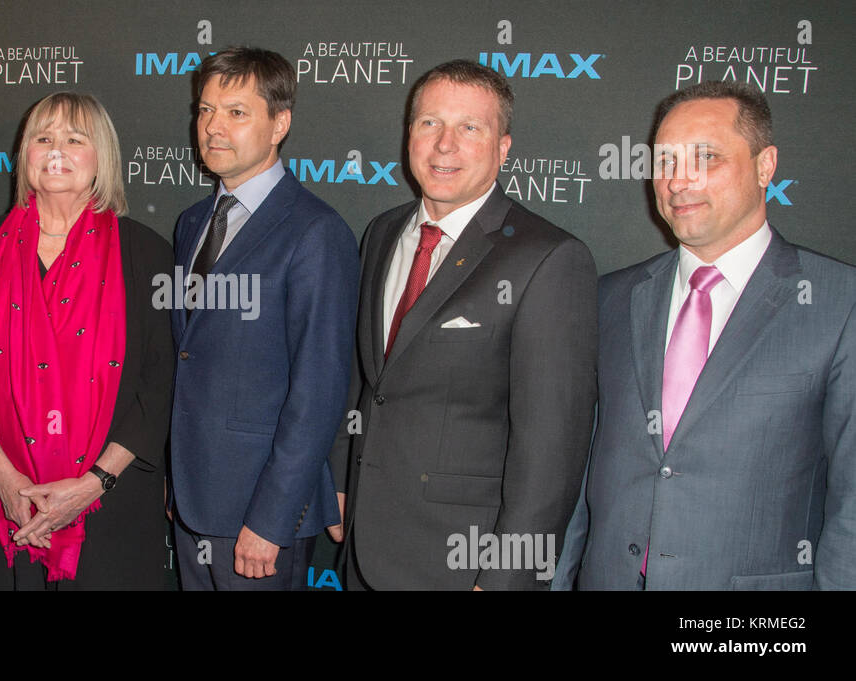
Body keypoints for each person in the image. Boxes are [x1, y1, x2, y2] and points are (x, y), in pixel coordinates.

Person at [554, 81, 856, 590]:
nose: (678, 181)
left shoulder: (839, 302)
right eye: (665, 161)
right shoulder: (610, 298)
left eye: (707, 157)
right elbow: (579, 476)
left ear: (765, 166)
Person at [330, 59, 598, 590]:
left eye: (469, 127)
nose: (443, 144)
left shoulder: (549, 258)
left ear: (503, 148)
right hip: (364, 545)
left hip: (461, 563)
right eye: (429, 123)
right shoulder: (382, 233)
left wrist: (505, 578)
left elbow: (552, 451)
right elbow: (365, 381)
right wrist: (338, 478)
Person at [0, 92, 173, 590]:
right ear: (24, 155)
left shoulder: (146, 252)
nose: (56, 150)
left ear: (102, 158)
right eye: (43, 138)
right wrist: (6, 479)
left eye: (74, 139)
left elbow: (159, 384)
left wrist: (94, 484)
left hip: (112, 504)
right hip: (4, 500)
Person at [169, 47, 359, 590]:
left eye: (235, 112)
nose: (211, 127)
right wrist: (177, 480)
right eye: (204, 110)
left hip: (259, 514)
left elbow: (320, 391)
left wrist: (272, 519)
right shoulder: (191, 223)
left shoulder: (315, 232)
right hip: (193, 499)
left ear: (280, 123)